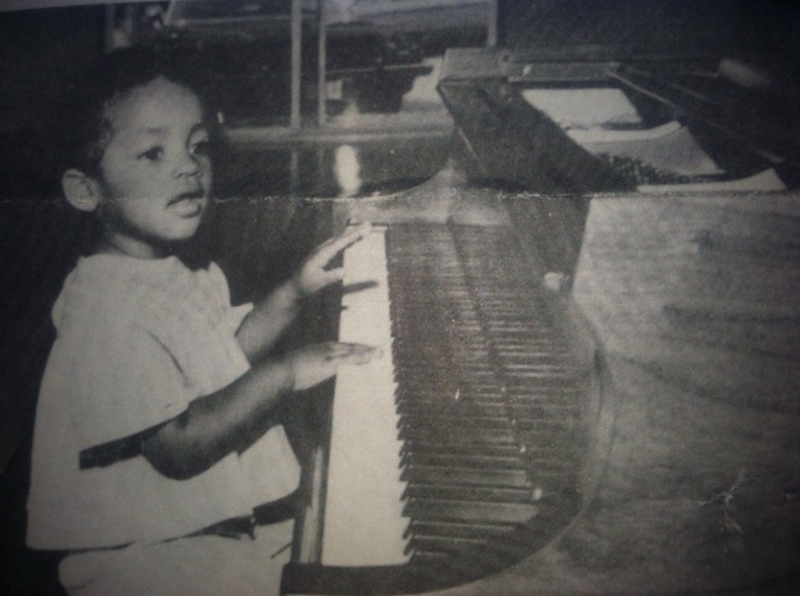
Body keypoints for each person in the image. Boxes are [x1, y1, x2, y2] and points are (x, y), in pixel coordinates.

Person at [26, 48, 378, 596]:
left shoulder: (172, 271)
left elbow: (222, 357)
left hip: (187, 534)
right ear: (84, 190)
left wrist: (292, 292)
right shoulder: (104, 316)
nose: (189, 166)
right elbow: (178, 446)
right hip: (140, 561)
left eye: (197, 147)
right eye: (153, 153)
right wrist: (284, 373)